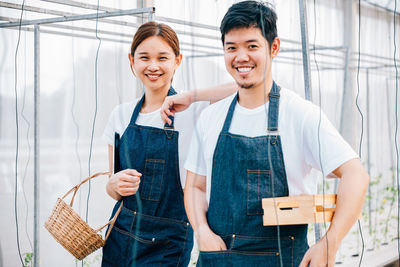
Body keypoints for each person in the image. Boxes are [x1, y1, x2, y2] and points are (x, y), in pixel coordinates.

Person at [162, 1, 369, 266]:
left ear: (274, 47)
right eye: (231, 48)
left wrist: (330, 242)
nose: (241, 57)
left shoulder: (300, 114)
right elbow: (195, 186)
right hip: (218, 257)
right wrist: (202, 230)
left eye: (252, 46)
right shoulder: (210, 118)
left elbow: (355, 175)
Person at [101, 21, 237, 267]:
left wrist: (190, 96)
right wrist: (112, 184)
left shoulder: (194, 110)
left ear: (177, 60)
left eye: (163, 57)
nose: (153, 66)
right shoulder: (120, 115)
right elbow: (114, 189)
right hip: (120, 236)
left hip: (168, 242)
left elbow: (245, 86)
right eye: (144, 57)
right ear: (132, 61)